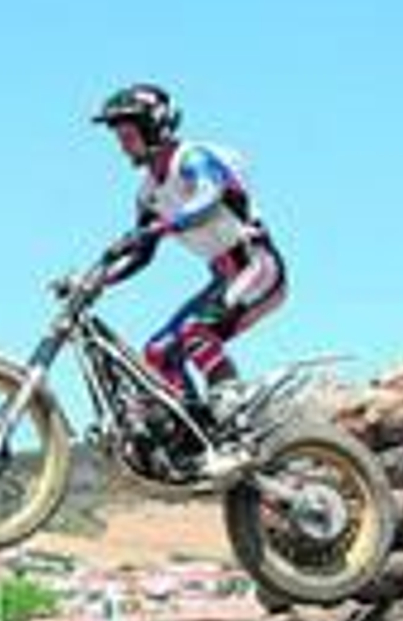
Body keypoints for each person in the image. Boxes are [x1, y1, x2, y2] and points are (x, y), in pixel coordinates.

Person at [91, 84, 288, 453]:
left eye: (128, 134)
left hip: (257, 266)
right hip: (224, 277)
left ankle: (236, 419)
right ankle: (198, 439)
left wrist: (167, 224)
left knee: (196, 331)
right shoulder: (149, 191)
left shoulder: (191, 159)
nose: (122, 145)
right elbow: (141, 252)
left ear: (154, 127)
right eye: (119, 137)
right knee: (158, 351)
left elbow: (209, 194)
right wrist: (98, 281)